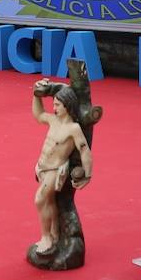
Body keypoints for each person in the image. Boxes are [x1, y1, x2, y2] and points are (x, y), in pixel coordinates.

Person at [31, 80, 92, 257]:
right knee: (50, 202)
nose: (55, 108)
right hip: (41, 168)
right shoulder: (53, 120)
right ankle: (55, 235)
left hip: (55, 170)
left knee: (40, 200)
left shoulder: (73, 128)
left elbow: (84, 150)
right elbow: (38, 114)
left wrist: (87, 175)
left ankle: (46, 237)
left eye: (57, 104)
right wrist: (36, 95)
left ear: (67, 106)